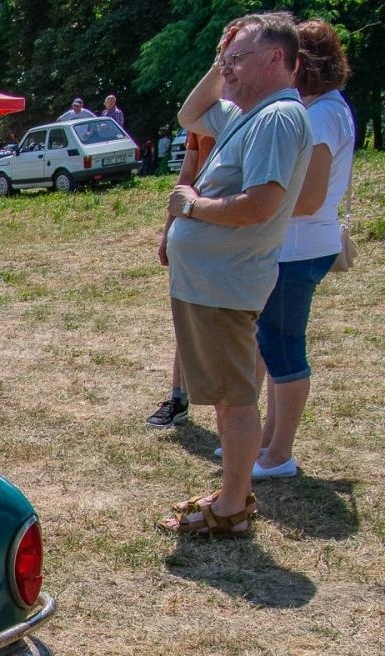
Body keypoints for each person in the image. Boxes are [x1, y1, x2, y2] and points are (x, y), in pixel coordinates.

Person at [158, 12, 313, 539]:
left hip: (226, 282)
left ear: (276, 59)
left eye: (239, 59)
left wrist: (194, 207)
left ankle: (231, 509)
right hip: (211, 281)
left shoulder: (276, 118)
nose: (229, 69)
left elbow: (261, 203)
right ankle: (232, 493)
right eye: (226, 59)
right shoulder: (249, 113)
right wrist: (219, 60)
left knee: (234, 397)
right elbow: (190, 114)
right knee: (228, 393)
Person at [250, 18, 354, 480]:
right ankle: (267, 444)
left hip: (298, 249)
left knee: (284, 349)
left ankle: (279, 455)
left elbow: (309, 198)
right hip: (297, 247)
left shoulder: (320, 116)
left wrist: (258, 205)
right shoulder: (324, 110)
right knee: (273, 348)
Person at [148, 130, 218, 429]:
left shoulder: (269, 115)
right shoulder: (204, 121)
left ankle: (237, 415)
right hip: (195, 237)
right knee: (188, 321)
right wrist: (168, 231)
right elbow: (185, 178)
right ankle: (178, 398)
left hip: (244, 242)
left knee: (244, 329)